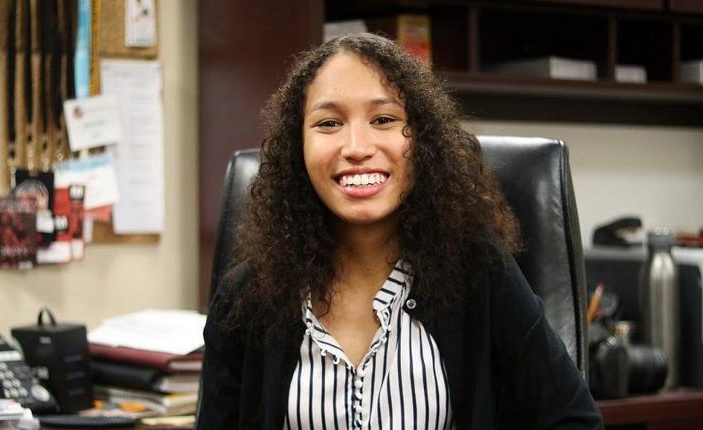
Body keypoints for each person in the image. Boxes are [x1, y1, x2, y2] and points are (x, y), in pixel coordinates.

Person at [196, 33, 604, 430]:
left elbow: (574, 420)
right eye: (329, 123)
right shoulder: (246, 299)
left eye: (384, 119)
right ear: (296, 147)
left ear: (423, 141)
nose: (357, 146)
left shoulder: (481, 275)